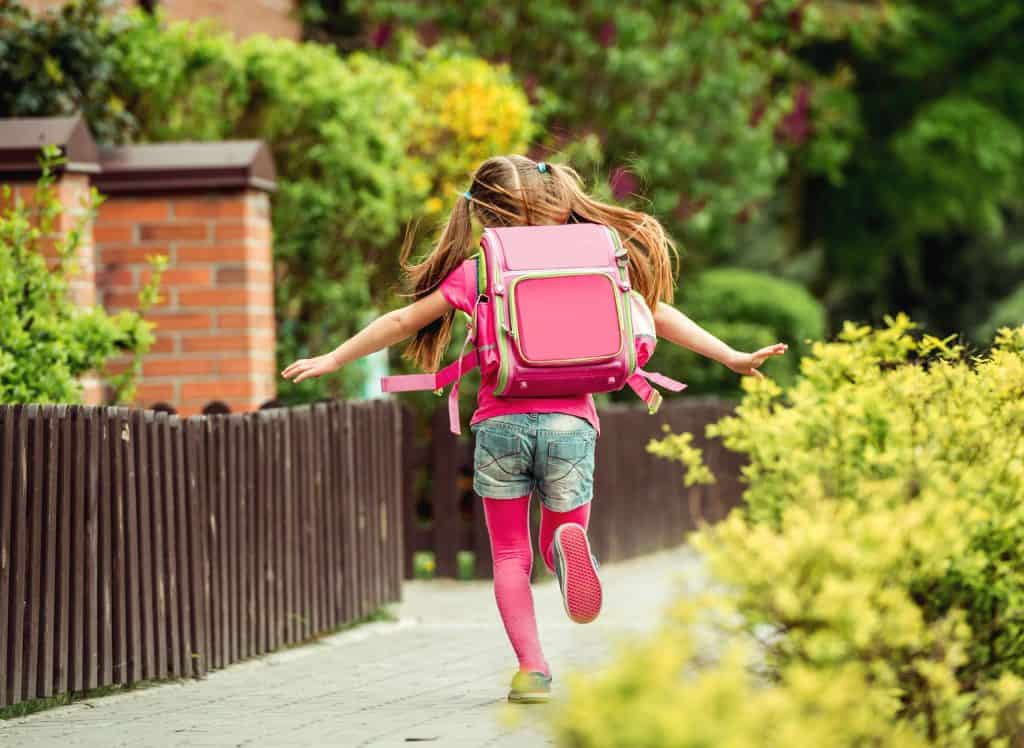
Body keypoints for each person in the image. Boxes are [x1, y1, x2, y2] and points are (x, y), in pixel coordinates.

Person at [281, 155, 787, 704]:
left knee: (508, 557)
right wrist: (731, 356)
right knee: (558, 537)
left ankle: (533, 669)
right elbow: (659, 314)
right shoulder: (599, 260)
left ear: (487, 217)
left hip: (501, 423)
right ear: (562, 207)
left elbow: (403, 321)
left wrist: (334, 357)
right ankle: (568, 548)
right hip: (571, 423)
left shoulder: (479, 269)